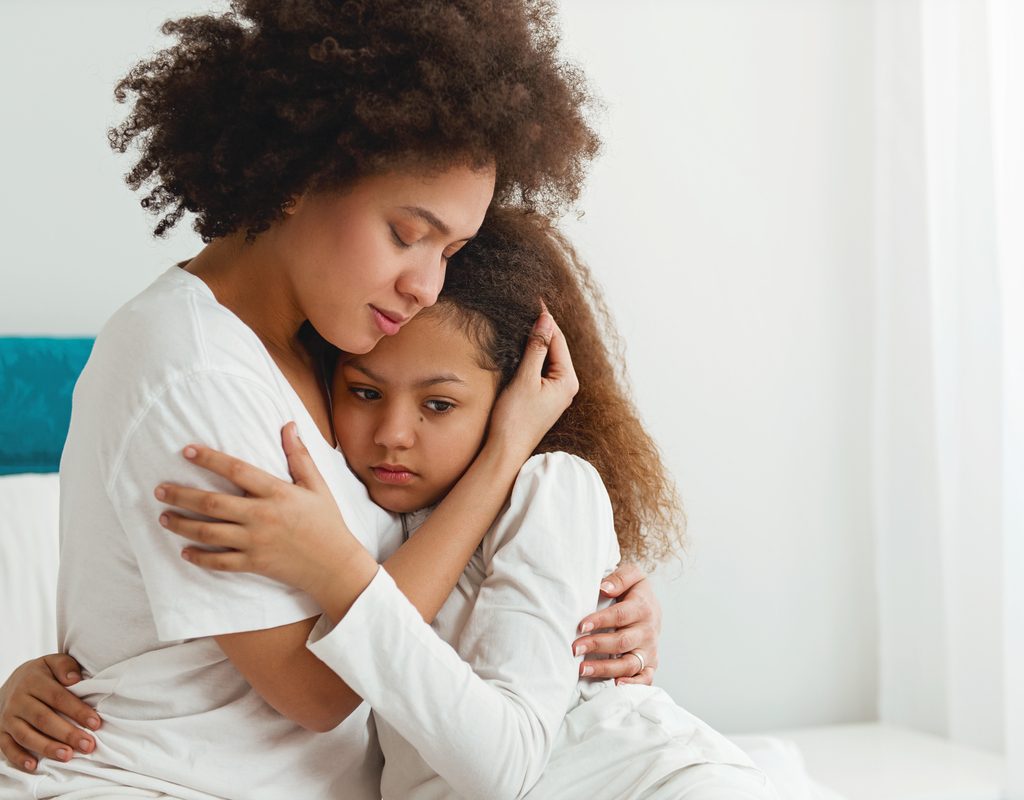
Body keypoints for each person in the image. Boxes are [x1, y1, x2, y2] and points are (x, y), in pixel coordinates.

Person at [0, 3, 662, 798]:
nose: (426, 285)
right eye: (405, 233)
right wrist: (502, 458)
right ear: (298, 176)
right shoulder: (191, 370)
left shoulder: (330, 355)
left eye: (449, 250)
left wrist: (580, 602)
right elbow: (321, 690)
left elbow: (407, 565)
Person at [138, 206, 780, 798]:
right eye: (363, 393)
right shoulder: (351, 514)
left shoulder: (551, 487)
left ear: (511, 400)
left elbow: (504, 767)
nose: (393, 433)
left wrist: (339, 574)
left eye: (439, 405)